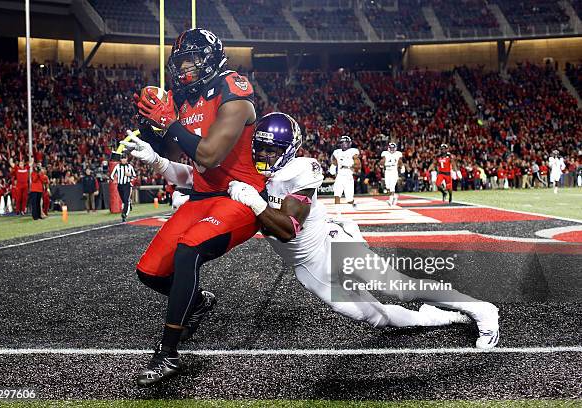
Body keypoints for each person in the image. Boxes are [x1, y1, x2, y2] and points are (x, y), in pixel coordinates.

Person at [125, 113, 500, 349]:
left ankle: (484, 310)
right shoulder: (254, 171)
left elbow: (288, 226)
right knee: (375, 317)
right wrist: (157, 162)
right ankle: (441, 317)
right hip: (305, 267)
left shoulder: (302, 169)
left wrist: (255, 203)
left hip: (330, 244)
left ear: (289, 151)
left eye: (271, 152)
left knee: (395, 285)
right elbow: (197, 177)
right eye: (260, 149)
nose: (263, 158)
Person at [127, 28, 266, 387]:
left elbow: (208, 154)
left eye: (192, 59)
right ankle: (199, 300)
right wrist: (153, 129)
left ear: (211, 58)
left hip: (239, 195)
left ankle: (168, 352)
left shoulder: (234, 90)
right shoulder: (183, 98)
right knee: (150, 272)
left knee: (189, 251)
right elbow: (176, 154)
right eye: (181, 61)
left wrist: (169, 123)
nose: (185, 67)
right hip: (202, 195)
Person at [330, 135, 360, 205]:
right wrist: (334, 165)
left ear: (349, 143)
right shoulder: (337, 152)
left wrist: (348, 164)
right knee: (337, 195)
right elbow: (333, 159)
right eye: (342, 143)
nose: (344, 144)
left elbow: (358, 166)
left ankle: (354, 205)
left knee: (349, 199)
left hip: (348, 176)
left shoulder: (353, 152)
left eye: (346, 142)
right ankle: (338, 213)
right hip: (339, 176)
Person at [110, 156, 136, 222]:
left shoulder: (129, 167)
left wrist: (130, 175)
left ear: (127, 159)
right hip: (120, 185)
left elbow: (134, 176)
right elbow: (111, 175)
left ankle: (124, 214)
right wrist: (114, 180)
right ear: (120, 159)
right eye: (122, 158)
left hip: (127, 185)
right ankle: (128, 204)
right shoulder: (117, 167)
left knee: (126, 199)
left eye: (125, 158)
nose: (124, 160)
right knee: (124, 200)